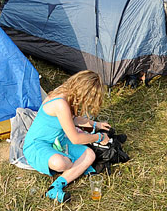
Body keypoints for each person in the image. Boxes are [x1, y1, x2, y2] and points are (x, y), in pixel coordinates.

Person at [22, 71, 110, 203]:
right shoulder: (60, 103)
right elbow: (75, 138)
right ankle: (76, 169)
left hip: (58, 140)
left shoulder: (68, 93)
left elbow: (73, 119)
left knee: (90, 155)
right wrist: (99, 137)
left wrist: (96, 124)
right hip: (37, 144)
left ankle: (56, 185)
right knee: (61, 163)